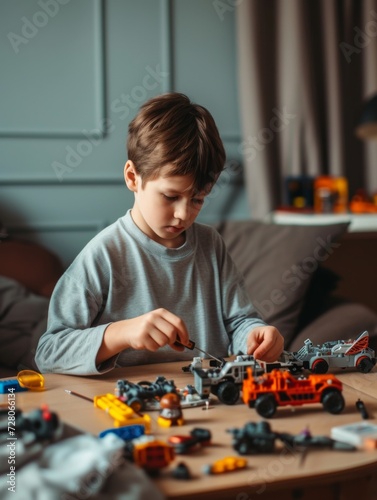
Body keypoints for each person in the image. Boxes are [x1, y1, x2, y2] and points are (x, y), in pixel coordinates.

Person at [35, 92, 284, 375]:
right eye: (170, 196)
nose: (184, 214)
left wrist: (256, 335)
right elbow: (49, 352)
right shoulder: (103, 254)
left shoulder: (211, 245)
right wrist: (121, 333)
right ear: (132, 177)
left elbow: (239, 322)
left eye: (197, 199)